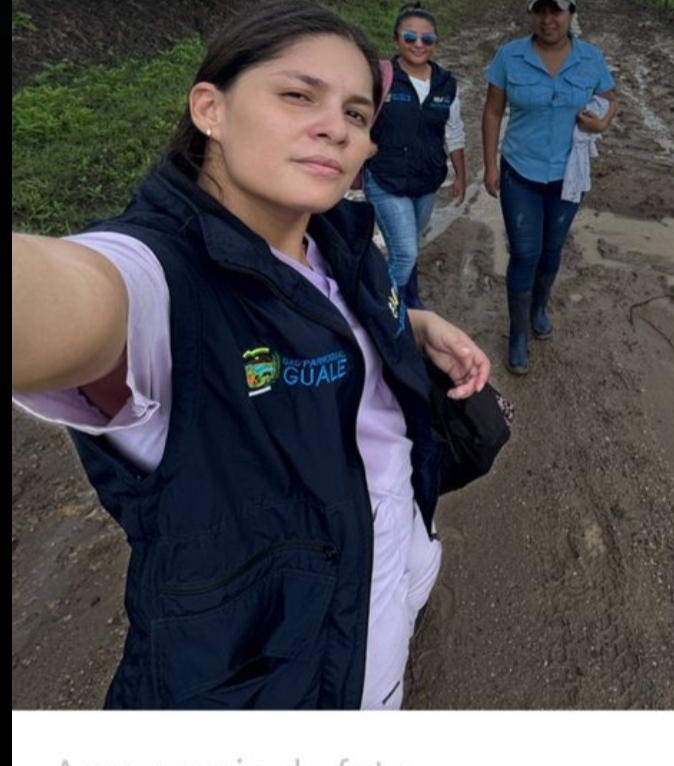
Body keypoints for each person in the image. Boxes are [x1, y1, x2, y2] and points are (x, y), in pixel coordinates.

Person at [11, 0, 490, 710]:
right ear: (210, 108)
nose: (335, 126)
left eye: (356, 114)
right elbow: (64, 297)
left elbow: (317, 309)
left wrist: (408, 325)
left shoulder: (335, 236)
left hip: (394, 574)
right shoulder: (158, 279)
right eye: (297, 95)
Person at [482, 0, 617, 375]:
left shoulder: (590, 59)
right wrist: (490, 165)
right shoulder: (509, 56)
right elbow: (492, 110)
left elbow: (610, 98)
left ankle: (538, 309)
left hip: (568, 176)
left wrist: (601, 124)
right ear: (531, 14)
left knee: (552, 249)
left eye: (555, 11)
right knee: (525, 253)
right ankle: (517, 334)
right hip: (519, 172)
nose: (547, 19)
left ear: (570, 13)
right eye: (539, 11)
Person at [364, 4, 465, 310]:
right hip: (385, 179)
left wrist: (460, 176)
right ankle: (387, 312)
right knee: (405, 253)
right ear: (396, 40)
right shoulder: (379, 77)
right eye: (410, 37)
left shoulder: (446, 83)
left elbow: (454, 132)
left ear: (435, 42)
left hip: (426, 181)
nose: (418, 44)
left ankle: (411, 298)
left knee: (409, 245)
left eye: (427, 39)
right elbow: (350, 113)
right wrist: (362, 144)